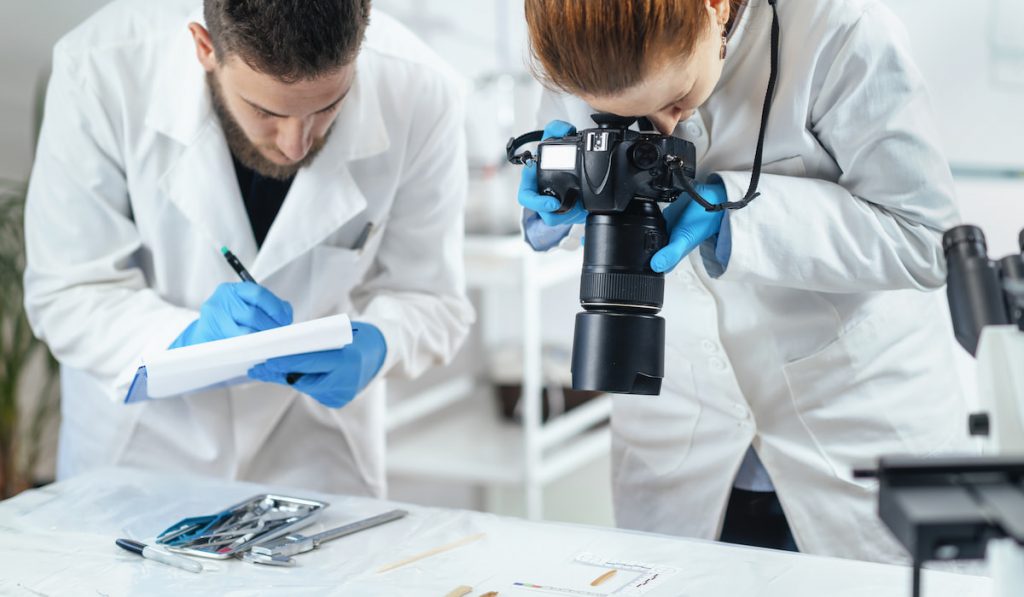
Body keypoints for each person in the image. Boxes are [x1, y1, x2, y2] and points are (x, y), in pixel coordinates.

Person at [518, 0, 971, 562]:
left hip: (852, 425)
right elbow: (570, 192)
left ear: (716, 8)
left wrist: (743, 216)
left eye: (676, 98)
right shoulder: (578, 39)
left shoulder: (838, 31)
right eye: (622, 117)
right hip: (681, 432)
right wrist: (559, 202)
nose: (661, 127)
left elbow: (928, 239)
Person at [23, 0, 473, 496]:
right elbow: (67, 291)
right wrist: (186, 342)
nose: (296, 144)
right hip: (142, 454)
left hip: (317, 455)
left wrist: (381, 342)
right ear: (205, 47)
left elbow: (433, 299)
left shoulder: (422, 90)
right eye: (266, 110)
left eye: (328, 108)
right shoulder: (100, 67)